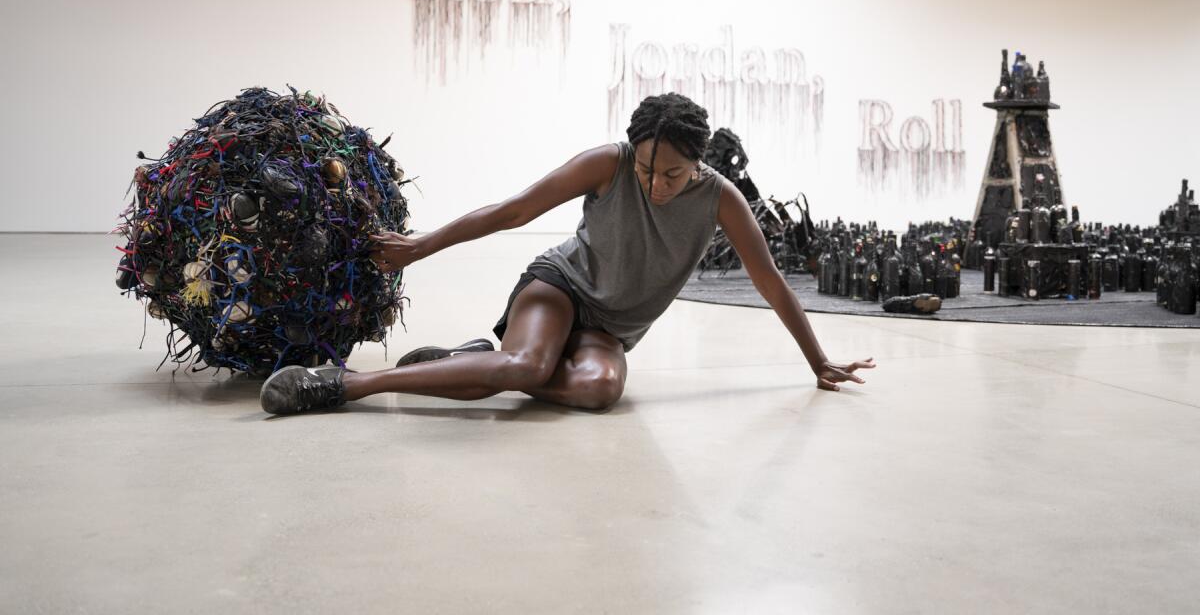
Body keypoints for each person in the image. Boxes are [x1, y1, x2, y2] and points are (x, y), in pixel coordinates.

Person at [259, 93, 875, 415]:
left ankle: (464, 362)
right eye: (647, 168)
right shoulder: (606, 163)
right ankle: (349, 385)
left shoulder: (722, 200)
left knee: (601, 391)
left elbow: (770, 281)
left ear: (699, 162)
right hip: (560, 287)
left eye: (673, 174)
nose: (657, 184)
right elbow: (511, 212)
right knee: (525, 367)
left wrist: (817, 362)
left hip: (611, 326)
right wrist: (419, 248)